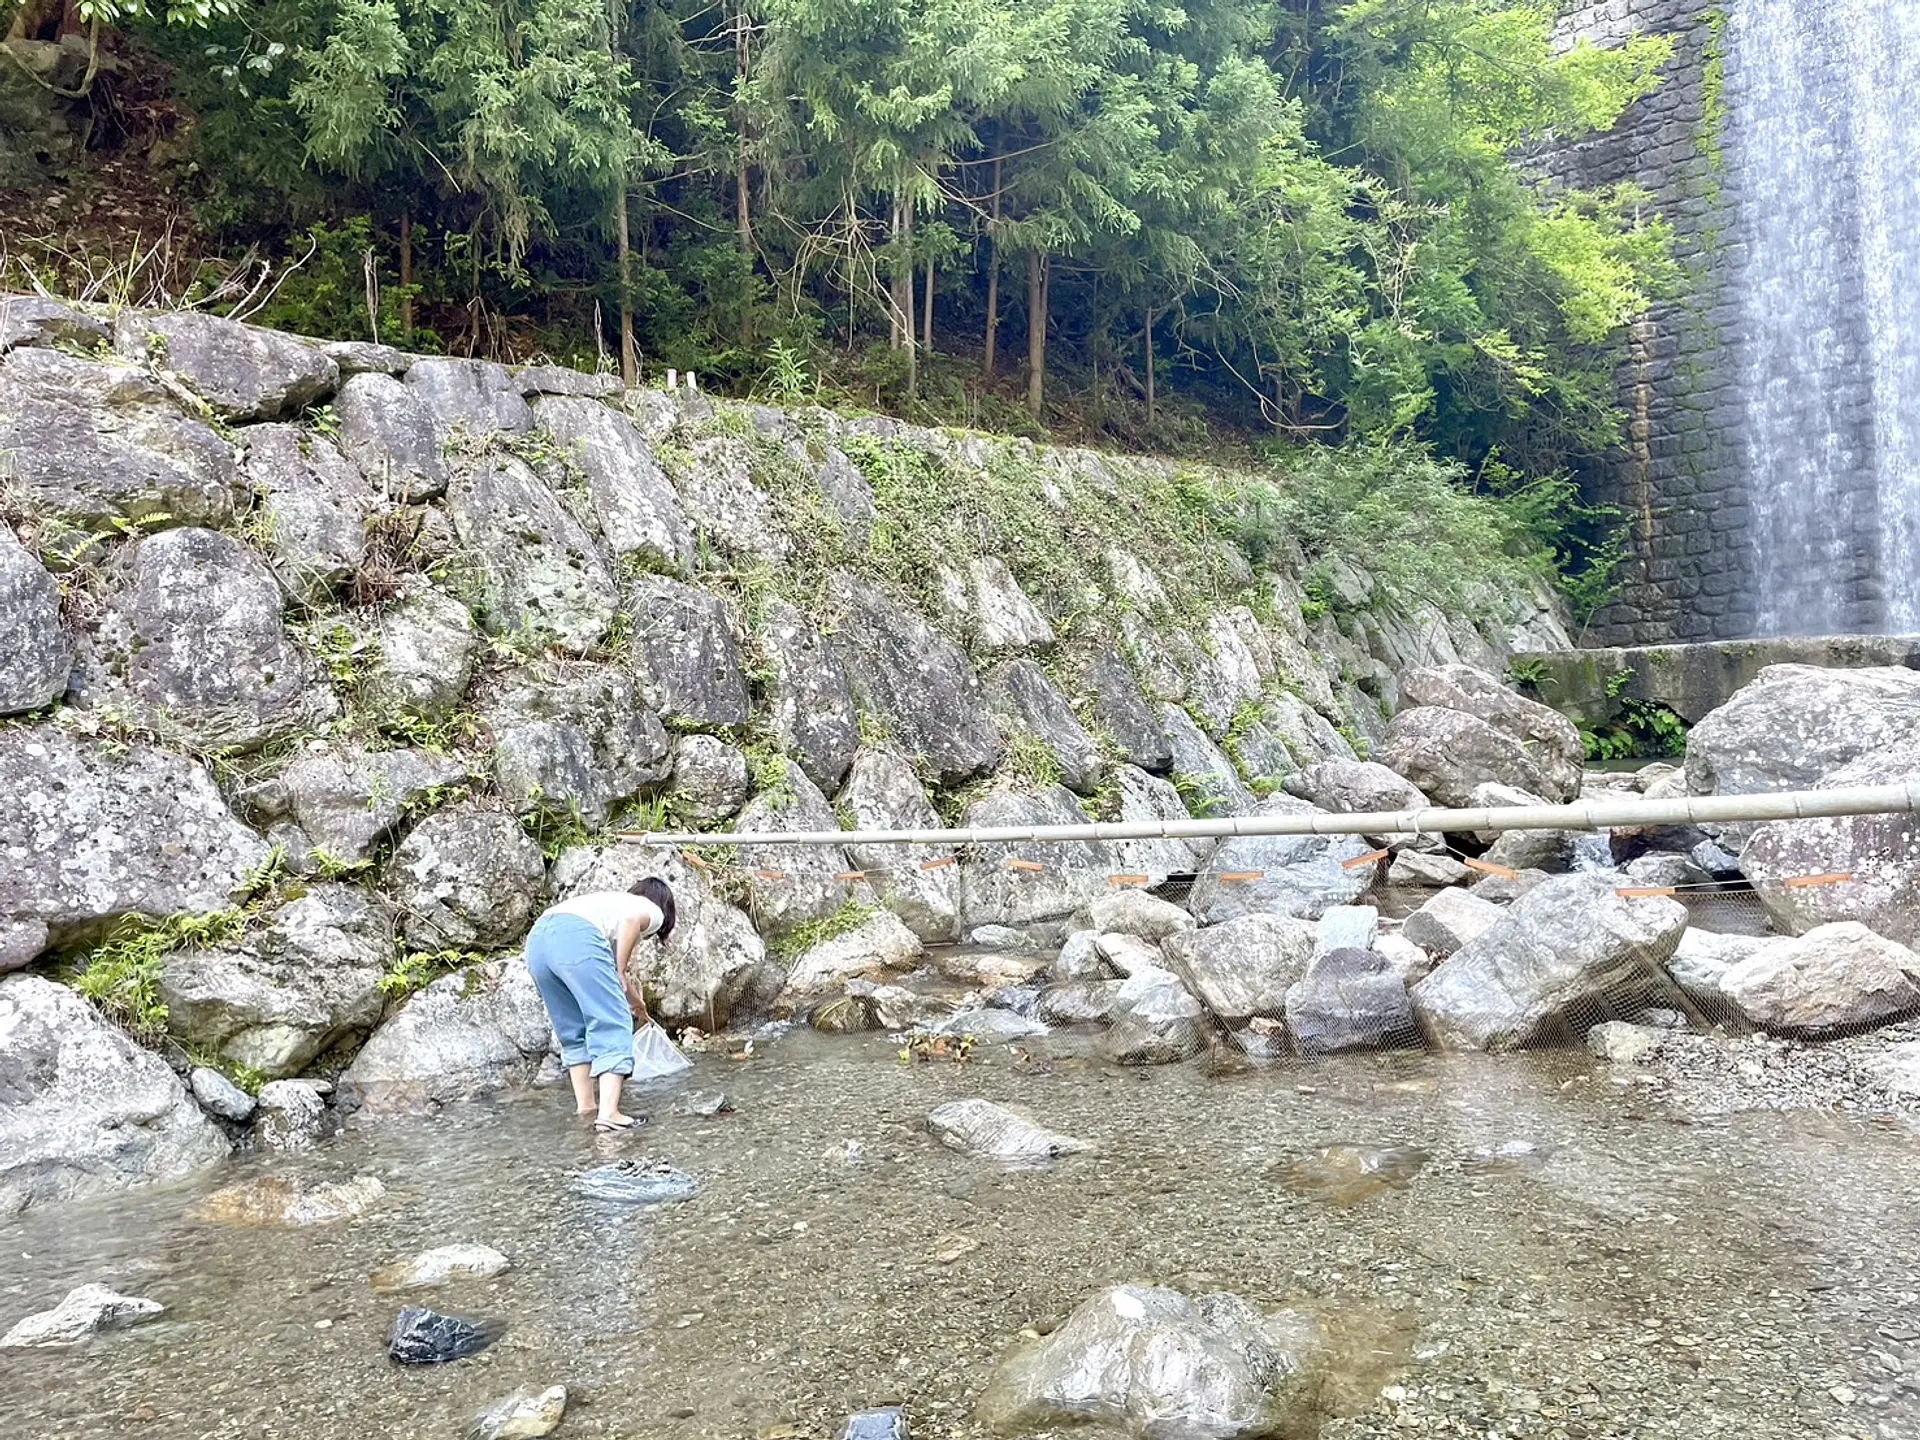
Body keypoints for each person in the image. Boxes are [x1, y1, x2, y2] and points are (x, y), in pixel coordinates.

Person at [524, 877, 676, 1132]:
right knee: (614, 1022)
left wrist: (638, 1004)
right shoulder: (651, 909)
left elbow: (609, 978)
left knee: (574, 1031)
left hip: (538, 942)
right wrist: (620, 971)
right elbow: (630, 923)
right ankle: (609, 1114)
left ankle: (586, 1108)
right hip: (575, 937)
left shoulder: (605, 906)